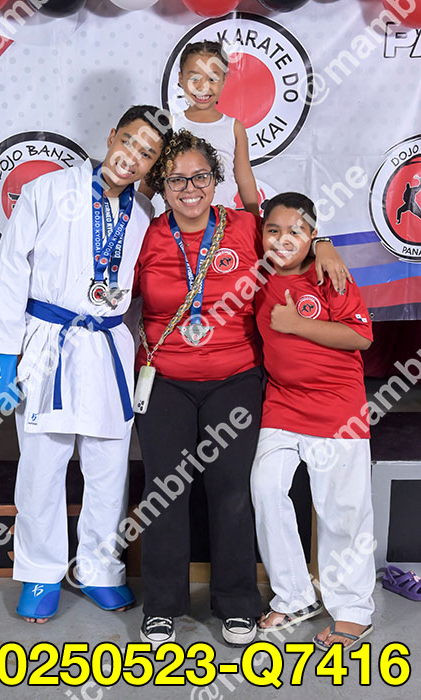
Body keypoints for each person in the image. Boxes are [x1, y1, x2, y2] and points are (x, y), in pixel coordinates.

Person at [132, 132, 350, 649]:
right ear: (162, 184)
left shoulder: (246, 226)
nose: (190, 188)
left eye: (200, 177)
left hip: (235, 377)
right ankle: (161, 607)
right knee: (164, 491)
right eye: (177, 179)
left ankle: (236, 603)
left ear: (216, 181)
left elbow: (293, 231)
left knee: (232, 490)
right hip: (165, 379)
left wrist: (322, 242)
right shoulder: (145, 233)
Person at [0, 105, 170, 623]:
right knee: (42, 465)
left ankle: (99, 568)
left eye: (147, 154)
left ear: (153, 166)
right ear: (111, 136)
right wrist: (3, 354)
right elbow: (11, 267)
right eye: (129, 141)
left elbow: (139, 291)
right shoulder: (47, 190)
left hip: (108, 345)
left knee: (109, 466)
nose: (132, 157)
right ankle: (41, 572)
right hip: (49, 340)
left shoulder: (144, 214)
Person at [251, 192, 376, 651]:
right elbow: (245, 193)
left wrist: (295, 324)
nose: (283, 240)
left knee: (341, 510)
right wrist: (321, 240)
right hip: (282, 404)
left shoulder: (330, 273)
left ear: (312, 235)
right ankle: (295, 595)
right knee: (266, 487)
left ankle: (353, 610)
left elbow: (361, 337)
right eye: (273, 230)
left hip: (336, 407)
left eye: (297, 232)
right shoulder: (258, 274)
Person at [140, 40, 260, 216]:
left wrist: (255, 219)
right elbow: (150, 178)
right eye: (194, 78)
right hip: (178, 224)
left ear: (223, 80)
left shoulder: (234, 128)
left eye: (212, 79)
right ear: (181, 79)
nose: (203, 86)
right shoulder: (170, 125)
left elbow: (244, 179)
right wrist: (135, 212)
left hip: (223, 223)